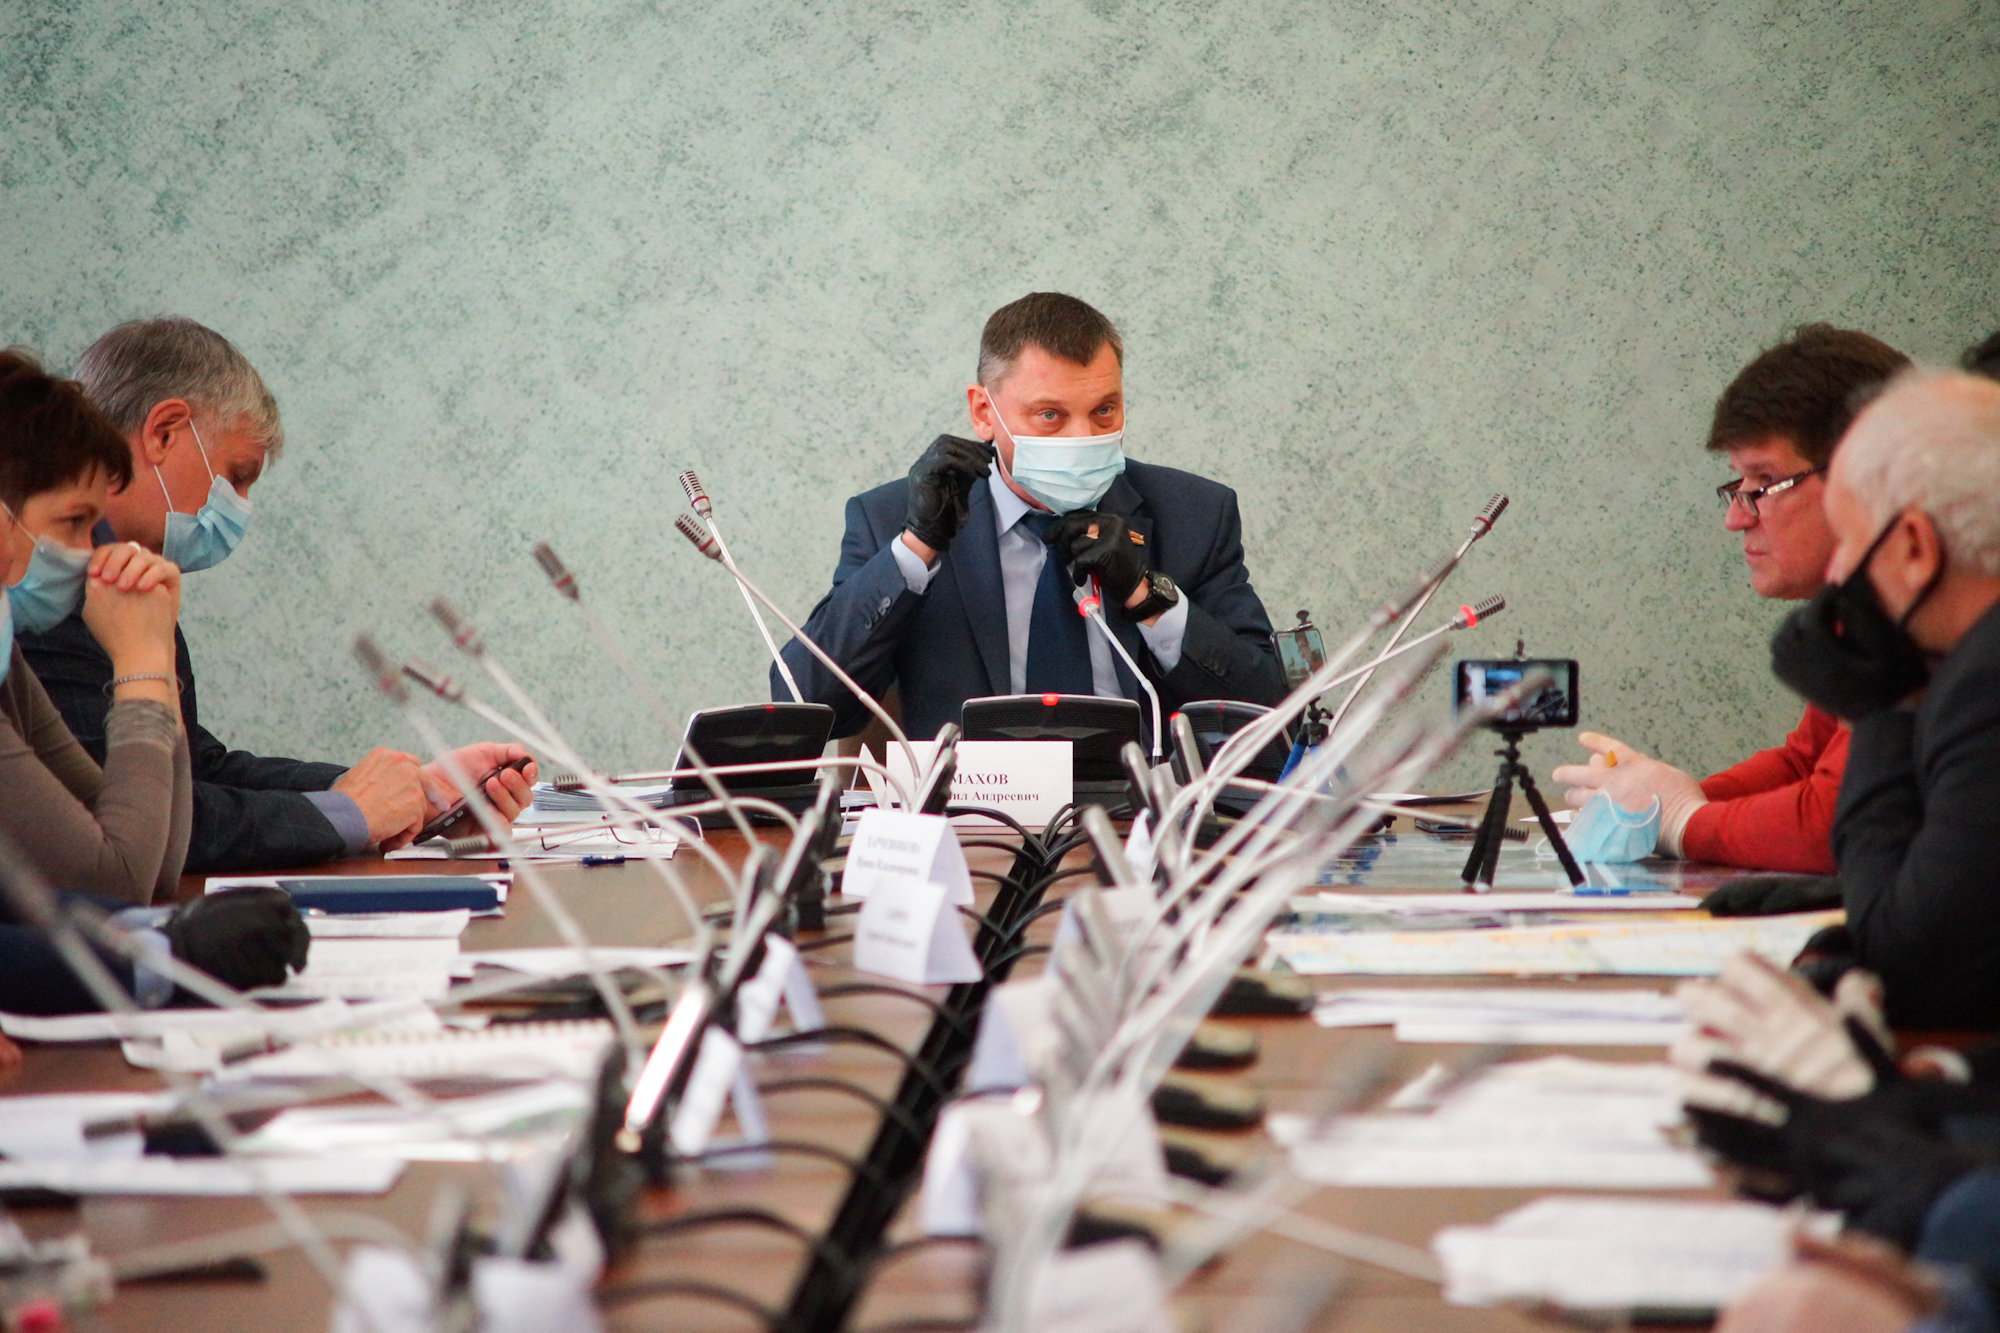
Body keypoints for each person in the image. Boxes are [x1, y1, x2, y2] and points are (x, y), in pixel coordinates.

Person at [18, 317, 535, 873]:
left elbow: (191, 768)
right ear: (164, 432)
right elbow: (136, 822)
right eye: (237, 476)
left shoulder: (128, 580)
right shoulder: (46, 594)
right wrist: (352, 811)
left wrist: (409, 795)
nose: (240, 505)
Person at [776, 292, 1286, 742]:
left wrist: (1146, 595)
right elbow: (805, 703)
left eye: (1104, 411)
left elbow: (1268, 713)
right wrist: (916, 548)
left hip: (1144, 808)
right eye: (1050, 415)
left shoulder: (1194, 514)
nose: (1082, 438)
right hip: (972, 811)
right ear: (984, 412)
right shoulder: (890, 518)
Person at [1553, 325, 1910, 878]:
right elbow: (1806, 764)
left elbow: (1834, 824)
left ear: (1860, 477)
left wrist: (1683, 820)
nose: (1736, 518)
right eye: (1737, 485)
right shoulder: (1860, 609)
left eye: (1763, 482)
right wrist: (1655, 798)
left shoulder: (1927, 613)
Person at [2, 348, 191, 905]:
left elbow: (157, 864)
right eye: (73, 522)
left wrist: (158, 659)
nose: (92, 555)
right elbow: (116, 883)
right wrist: (139, 665)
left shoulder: (7, 664)